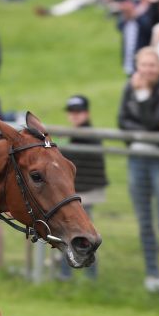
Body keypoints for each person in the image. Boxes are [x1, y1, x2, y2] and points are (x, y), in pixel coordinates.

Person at [118, 47, 159, 294]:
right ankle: (152, 273)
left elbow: (155, 122)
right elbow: (122, 121)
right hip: (138, 159)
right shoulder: (128, 87)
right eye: (144, 65)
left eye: (153, 65)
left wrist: (142, 97)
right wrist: (142, 129)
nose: (148, 69)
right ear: (137, 65)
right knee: (144, 221)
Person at [58, 95, 108, 280]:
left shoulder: (87, 135)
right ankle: (70, 274)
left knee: (80, 234)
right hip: (78, 192)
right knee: (75, 234)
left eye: (78, 111)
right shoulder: (76, 134)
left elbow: (72, 160)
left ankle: (80, 275)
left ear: (86, 112)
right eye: (72, 112)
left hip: (85, 192)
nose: (75, 115)